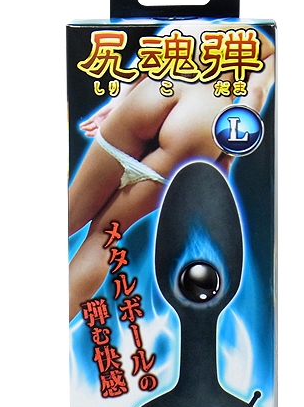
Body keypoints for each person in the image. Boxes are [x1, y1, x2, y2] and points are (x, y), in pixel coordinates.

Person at [68, 24, 275, 320]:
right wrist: (226, 159)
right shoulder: (258, 41)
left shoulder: (180, 27)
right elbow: (254, 96)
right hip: (202, 117)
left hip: (156, 91)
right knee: (104, 237)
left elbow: (140, 66)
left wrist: (116, 103)